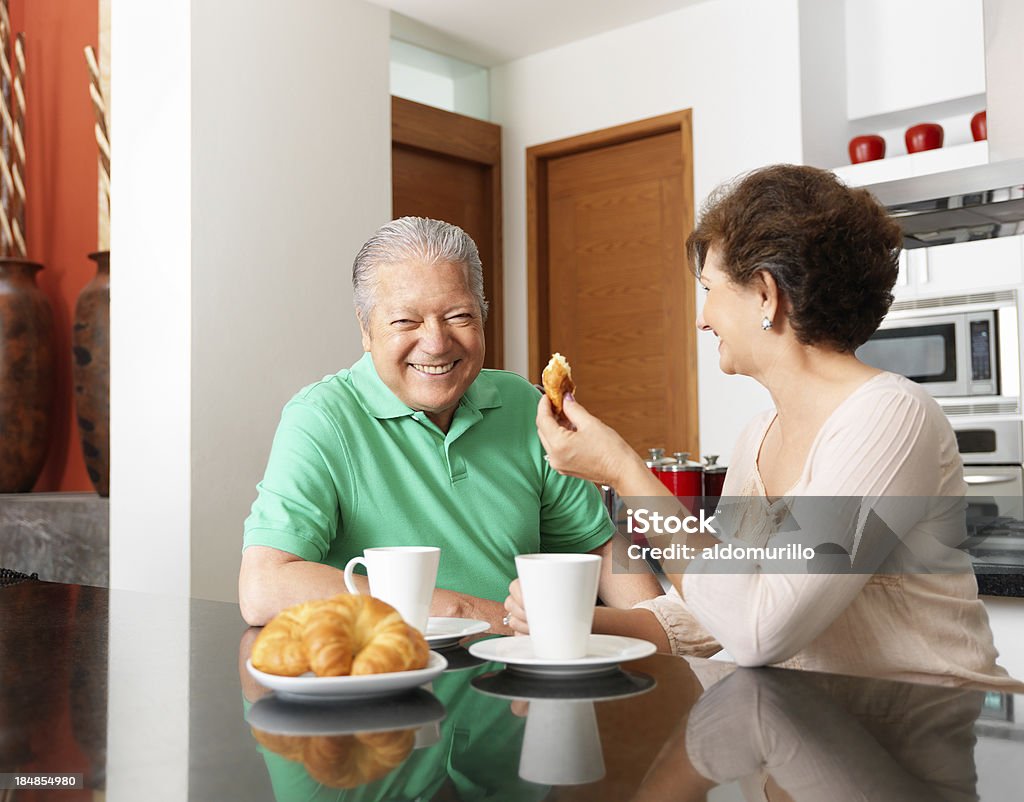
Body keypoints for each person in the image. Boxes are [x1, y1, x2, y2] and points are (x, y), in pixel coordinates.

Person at [506, 164, 1017, 686]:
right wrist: (570, 620)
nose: (701, 319)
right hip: (815, 738)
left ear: (766, 295)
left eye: (708, 288)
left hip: (920, 741)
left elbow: (756, 629)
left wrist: (623, 471)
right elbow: (714, 605)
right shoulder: (757, 438)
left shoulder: (889, 418)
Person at [239, 217, 660, 627]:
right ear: (365, 329)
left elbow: (598, 548)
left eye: (459, 316)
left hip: (521, 677)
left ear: (483, 316)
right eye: (406, 321)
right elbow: (264, 586)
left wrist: (669, 639)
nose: (437, 343)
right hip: (392, 677)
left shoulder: (522, 404)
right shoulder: (321, 418)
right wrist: (469, 614)